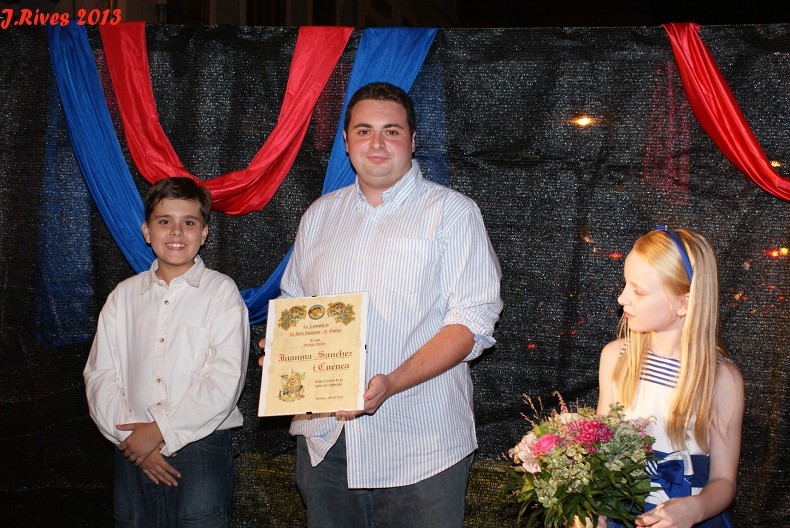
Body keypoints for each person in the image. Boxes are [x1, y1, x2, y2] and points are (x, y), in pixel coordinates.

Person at [264, 82, 503, 527]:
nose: (376, 143)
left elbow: (471, 323)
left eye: (391, 131)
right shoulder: (319, 216)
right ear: (346, 141)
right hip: (326, 443)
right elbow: (294, 303)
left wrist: (391, 383)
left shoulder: (452, 213)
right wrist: (283, 352)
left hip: (420, 443)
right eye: (364, 131)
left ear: (413, 140)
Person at [84, 177, 249, 527]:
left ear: (204, 234)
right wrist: (132, 440)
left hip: (200, 444)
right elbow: (101, 375)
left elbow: (225, 378)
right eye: (164, 221)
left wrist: (160, 429)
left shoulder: (221, 292)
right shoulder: (123, 297)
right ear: (147, 231)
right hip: (130, 445)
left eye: (189, 222)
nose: (176, 232)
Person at [597, 227, 743, 528]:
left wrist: (696, 509)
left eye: (638, 291)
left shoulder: (721, 379)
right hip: (619, 512)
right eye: (625, 284)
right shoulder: (615, 358)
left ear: (684, 303)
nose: (622, 298)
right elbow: (598, 453)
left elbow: (724, 480)